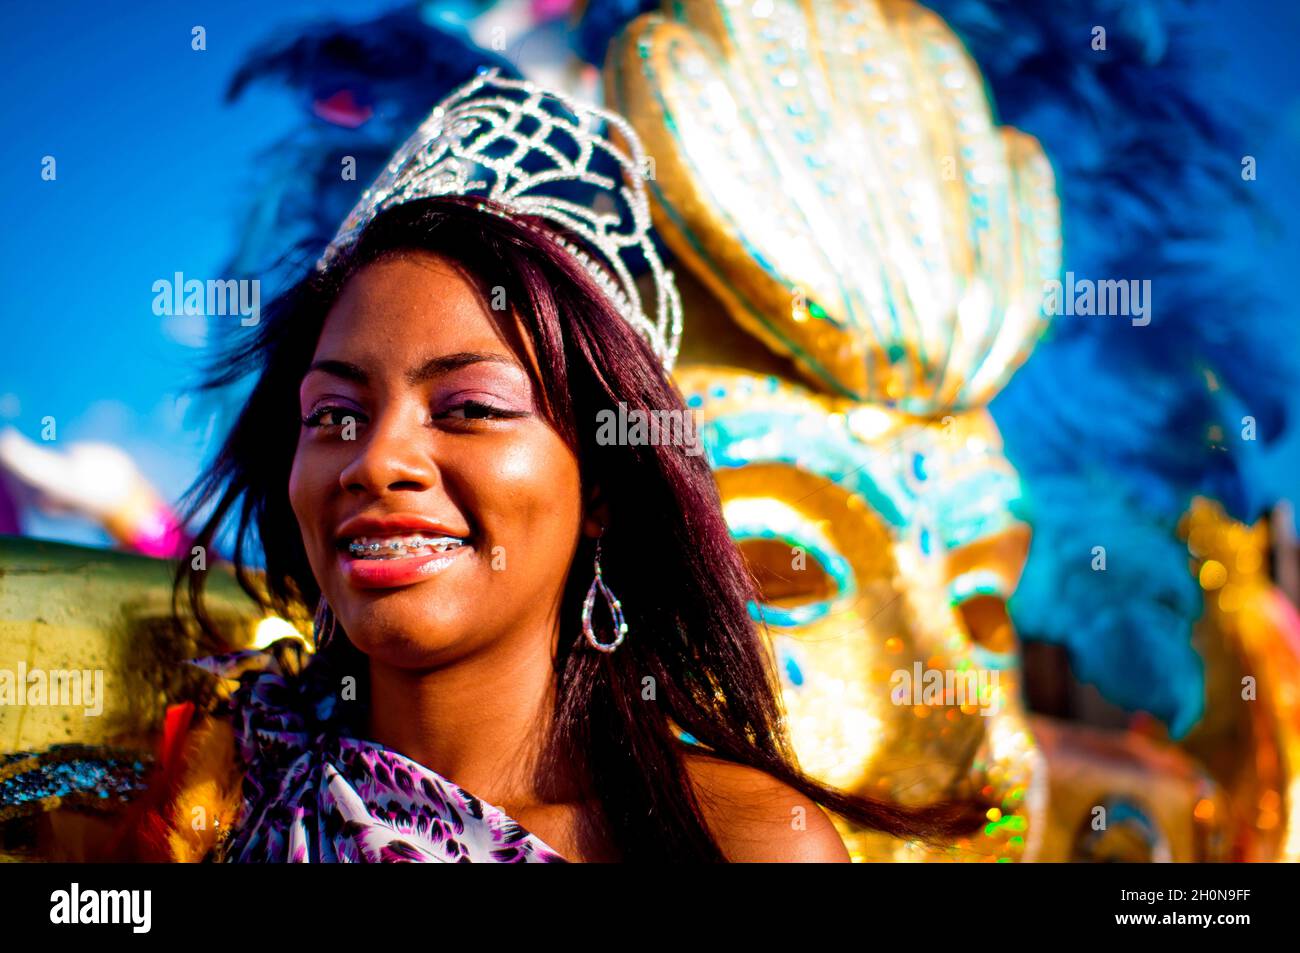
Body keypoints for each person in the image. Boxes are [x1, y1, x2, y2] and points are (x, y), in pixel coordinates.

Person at [135, 72, 982, 863]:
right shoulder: (210, 782)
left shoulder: (748, 844)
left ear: (602, 489)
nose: (377, 459)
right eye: (334, 415)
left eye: (468, 407)